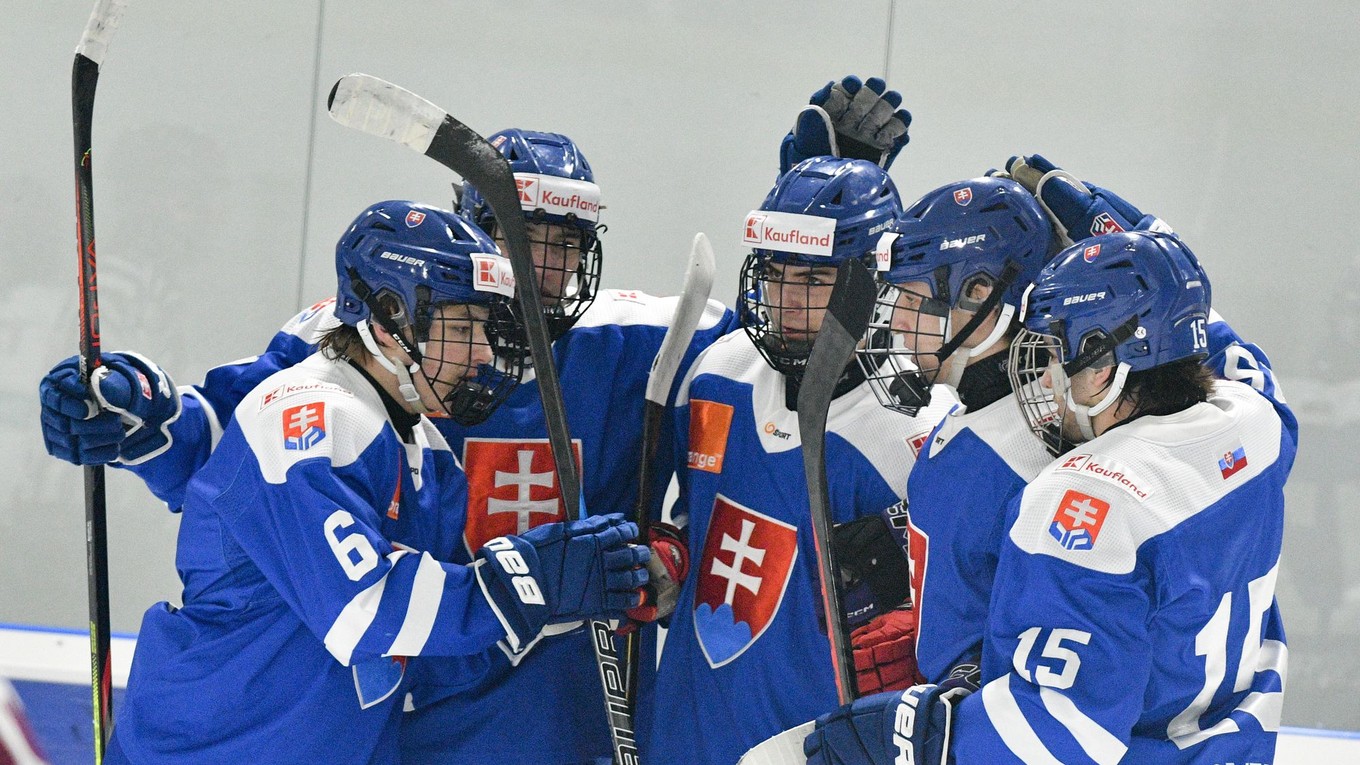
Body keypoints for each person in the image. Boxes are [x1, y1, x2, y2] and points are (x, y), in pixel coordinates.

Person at [40, 129, 731, 765]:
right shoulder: (308, 413)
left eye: (565, 242)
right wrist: (145, 419)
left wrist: (578, 591)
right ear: (396, 315)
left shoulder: (427, 450)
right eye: (466, 324)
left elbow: (426, 642)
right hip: (217, 743)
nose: (540, 267)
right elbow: (365, 607)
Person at [803, 228, 1293, 764]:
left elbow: (1063, 733)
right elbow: (1234, 357)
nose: (1046, 380)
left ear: (1103, 364)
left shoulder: (1086, 498)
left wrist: (925, 740)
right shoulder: (1256, 424)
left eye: (1058, 353)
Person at [645, 156, 957, 765]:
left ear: (873, 282)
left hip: (808, 743)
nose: (787, 302)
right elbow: (699, 518)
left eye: (814, 283)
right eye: (775, 275)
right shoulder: (717, 373)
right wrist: (671, 556)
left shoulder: (916, 433)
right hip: (686, 725)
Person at [854, 175, 1057, 690]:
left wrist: (965, 681)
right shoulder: (977, 415)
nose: (895, 317)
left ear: (979, 293)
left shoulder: (1041, 453)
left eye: (910, 294)